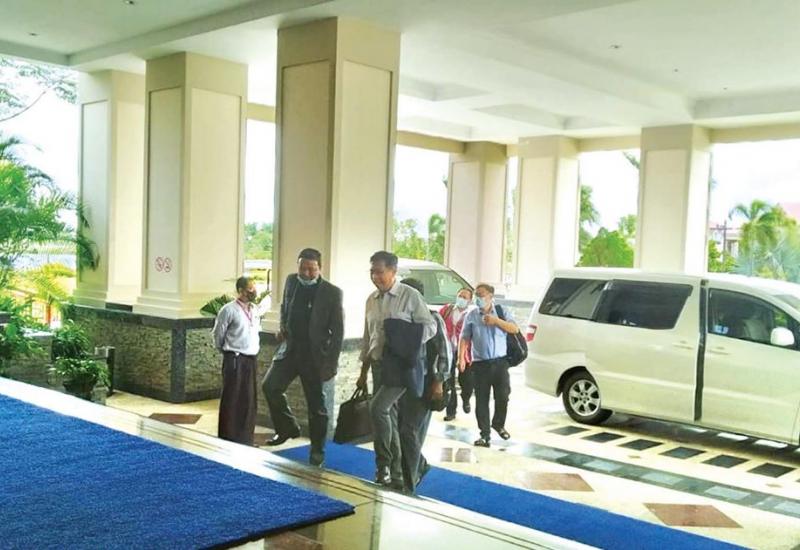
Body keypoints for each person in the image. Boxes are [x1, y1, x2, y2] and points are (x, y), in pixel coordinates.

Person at [356, 251, 436, 489]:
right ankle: (401, 469)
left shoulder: (409, 296)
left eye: (380, 272)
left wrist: (407, 344)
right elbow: (368, 337)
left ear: (393, 271)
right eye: (372, 272)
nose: (375, 277)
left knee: (378, 408)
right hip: (379, 366)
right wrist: (363, 371)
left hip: (400, 367)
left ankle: (383, 464)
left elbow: (429, 326)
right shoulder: (371, 300)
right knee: (387, 418)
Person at [263, 248, 344, 467]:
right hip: (290, 350)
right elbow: (285, 307)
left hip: (315, 357)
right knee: (270, 386)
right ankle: (287, 428)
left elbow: (338, 332)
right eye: (302, 268)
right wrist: (283, 327)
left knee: (316, 407)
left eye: (311, 269)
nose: (306, 273)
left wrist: (331, 364)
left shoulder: (332, 292)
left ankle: (317, 450)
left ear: (320, 268)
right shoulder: (291, 281)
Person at [396, 277, 449, 494]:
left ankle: (410, 482)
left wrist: (439, 382)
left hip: (426, 382)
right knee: (401, 430)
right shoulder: (400, 317)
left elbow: (445, 352)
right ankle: (419, 466)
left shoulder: (433, 318)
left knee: (409, 430)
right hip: (401, 381)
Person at [458, 283, 519, 448]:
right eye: (476, 295)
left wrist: (496, 321)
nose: (478, 298)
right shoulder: (471, 315)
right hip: (480, 364)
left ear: (491, 296)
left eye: (481, 295)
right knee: (481, 400)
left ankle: (498, 424)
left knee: (503, 396)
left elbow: (514, 329)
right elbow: (464, 337)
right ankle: (484, 434)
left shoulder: (501, 311)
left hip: (500, 362)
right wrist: (461, 357)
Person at [212, 276, 263, 445]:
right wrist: (227, 352)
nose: (254, 291)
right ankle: (228, 437)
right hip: (235, 358)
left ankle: (245, 437)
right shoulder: (228, 310)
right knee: (232, 398)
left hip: (251, 359)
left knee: (248, 399)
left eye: (254, 288)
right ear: (241, 290)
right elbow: (218, 335)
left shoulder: (255, 310)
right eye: (250, 288)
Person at [440, 287, 475, 421]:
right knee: (448, 382)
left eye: (465, 297)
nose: (461, 299)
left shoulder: (472, 314)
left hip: (466, 352)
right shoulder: (447, 310)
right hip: (447, 350)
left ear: (470, 300)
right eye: (460, 296)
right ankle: (451, 411)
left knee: (466, 381)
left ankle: (466, 398)